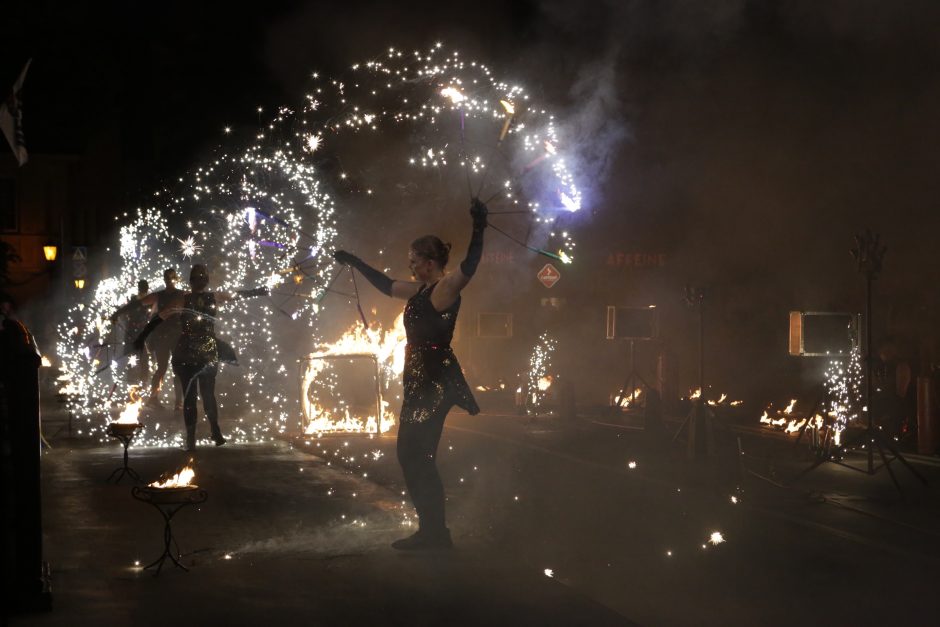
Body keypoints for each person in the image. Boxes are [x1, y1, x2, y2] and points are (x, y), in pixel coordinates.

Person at [333, 199, 486, 550]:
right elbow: (386, 285)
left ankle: (435, 534)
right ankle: (432, 532)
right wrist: (354, 262)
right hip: (419, 382)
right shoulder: (418, 291)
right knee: (413, 456)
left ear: (430, 263)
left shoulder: (445, 288)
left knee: (415, 454)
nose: (411, 266)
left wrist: (479, 226)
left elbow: (471, 265)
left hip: (434, 381)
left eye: (415, 260)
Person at [134, 264, 267, 451]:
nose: (201, 281)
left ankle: (209, 432)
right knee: (198, 396)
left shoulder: (201, 297)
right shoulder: (190, 298)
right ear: (196, 281)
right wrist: (142, 335)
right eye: (199, 278)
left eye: (201, 278)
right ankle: (200, 435)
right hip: (194, 352)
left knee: (203, 395)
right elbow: (160, 317)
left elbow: (235, 295)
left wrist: (256, 291)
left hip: (201, 352)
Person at [113, 268, 183, 409]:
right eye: (167, 278)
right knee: (162, 368)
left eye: (171, 278)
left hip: (175, 336)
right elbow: (137, 304)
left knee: (178, 369)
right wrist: (118, 312)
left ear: (175, 279)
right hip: (163, 336)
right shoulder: (160, 295)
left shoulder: (181, 295)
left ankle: (178, 402)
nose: (169, 281)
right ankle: (154, 398)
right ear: (165, 279)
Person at [110, 279, 151, 386]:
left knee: (143, 359)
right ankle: (133, 383)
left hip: (142, 333)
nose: (144, 291)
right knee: (134, 358)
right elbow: (125, 310)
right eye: (142, 289)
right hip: (133, 334)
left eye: (144, 289)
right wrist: (116, 315)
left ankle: (142, 382)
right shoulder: (135, 300)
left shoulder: (149, 301)